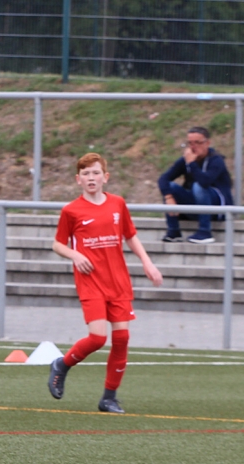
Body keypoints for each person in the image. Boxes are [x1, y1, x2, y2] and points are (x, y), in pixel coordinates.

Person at [47, 153, 163, 414]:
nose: (91, 178)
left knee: (121, 338)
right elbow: (57, 244)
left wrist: (147, 263)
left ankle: (109, 398)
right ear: (78, 179)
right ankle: (62, 365)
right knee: (98, 338)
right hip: (90, 281)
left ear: (105, 177)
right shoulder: (71, 210)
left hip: (117, 281)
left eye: (96, 173)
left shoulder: (117, 204)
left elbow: (130, 236)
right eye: (86, 174)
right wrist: (76, 255)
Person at [157, 126, 233, 244]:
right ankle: (173, 232)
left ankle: (205, 232)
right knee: (170, 187)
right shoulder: (186, 160)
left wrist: (192, 163)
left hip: (216, 209)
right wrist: (169, 197)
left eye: (198, 143)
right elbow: (163, 179)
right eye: (190, 143)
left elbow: (205, 182)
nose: (193, 147)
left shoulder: (216, 160)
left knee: (198, 187)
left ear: (207, 143)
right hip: (195, 207)